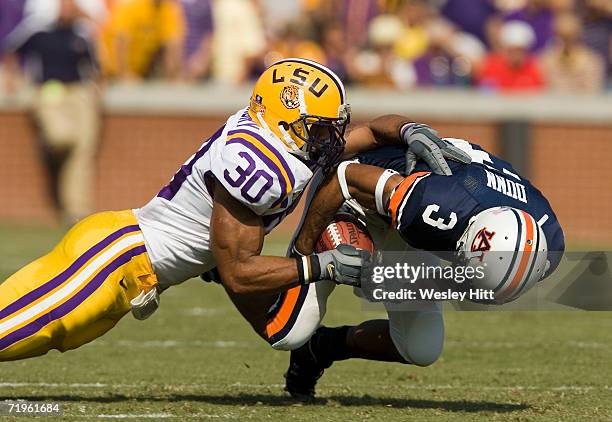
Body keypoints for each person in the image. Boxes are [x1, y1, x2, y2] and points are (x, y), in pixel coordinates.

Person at [0, 58, 469, 361]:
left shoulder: (285, 139)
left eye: (330, 128)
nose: (329, 139)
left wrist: (411, 130)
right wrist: (321, 265)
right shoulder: (260, 162)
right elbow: (240, 273)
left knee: (46, 335)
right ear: (281, 119)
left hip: (134, 268)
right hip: (119, 258)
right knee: (23, 328)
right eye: (318, 129)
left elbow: (374, 131)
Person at [280, 128, 565, 400]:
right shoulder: (438, 203)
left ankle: (321, 347)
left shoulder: (549, 242)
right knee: (292, 332)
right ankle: (302, 318)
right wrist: (302, 249)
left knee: (421, 347)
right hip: (355, 193)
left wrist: (399, 279)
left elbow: (477, 279)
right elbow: (345, 177)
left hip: (413, 214)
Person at [3, 0, 104, 222]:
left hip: (78, 92)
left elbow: (95, 67)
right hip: (49, 90)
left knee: (83, 149)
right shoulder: (39, 31)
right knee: (60, 138)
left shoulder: (82, 35)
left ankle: (76, 210)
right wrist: (12, 78)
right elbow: (12, 50)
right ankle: (52, 154)